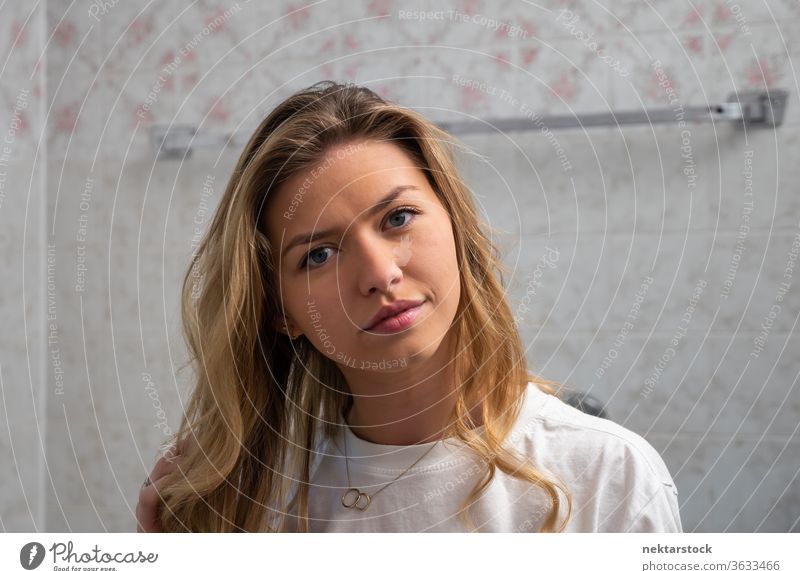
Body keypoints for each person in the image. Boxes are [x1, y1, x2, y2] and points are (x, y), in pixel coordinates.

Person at [135, 81, 682, 533]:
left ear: (457, 229)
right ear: (281, 313)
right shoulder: (247, 509)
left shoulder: (609, 475)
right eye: (318, 255)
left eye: (397, 219)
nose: (378, 274)